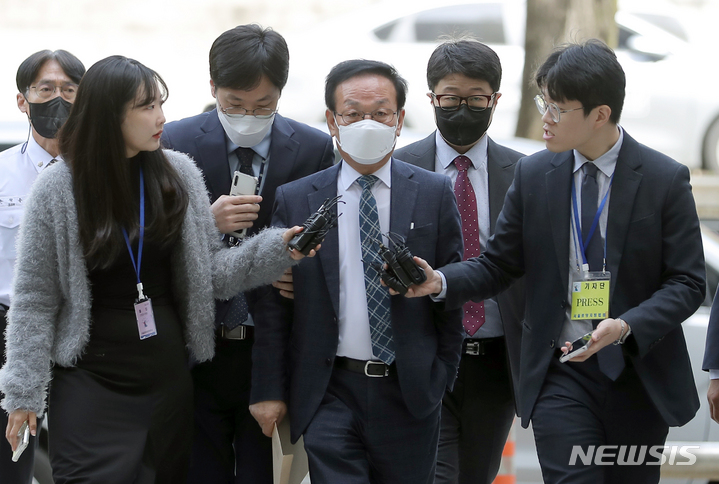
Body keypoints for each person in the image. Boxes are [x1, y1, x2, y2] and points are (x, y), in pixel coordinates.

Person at [0, 55, 314, 484]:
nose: (161, 117)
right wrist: (24, 393)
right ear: (110, 113)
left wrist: (277, 249)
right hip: (88, 376)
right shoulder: (59, 187)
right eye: (147, 106)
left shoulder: (178, 174)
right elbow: (35, 300)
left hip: (166, 375)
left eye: (160, 104)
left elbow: (214, 274)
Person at [404, 39, 705, 483]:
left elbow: (686, 283)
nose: (545, 117)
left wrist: (625, 325)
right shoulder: (534, 174)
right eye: (543, 102)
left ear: (599, 115)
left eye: (558, 109)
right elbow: (499, 264)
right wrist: (441, 282)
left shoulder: (664, 178)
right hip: (561, 372)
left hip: (636, 375)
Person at [249, 59, 464, 484]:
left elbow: (451, 290)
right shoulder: (296, 199)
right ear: (332, 120)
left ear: (400, 119)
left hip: (409, 391)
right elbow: (273, 306)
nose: (368, 123)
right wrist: (269, 390)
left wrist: (439, 374)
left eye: (381, 112)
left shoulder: (434, 193)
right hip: (329, 389)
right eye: (352, 113)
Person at [161, 25, 334, 483]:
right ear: (212, 87)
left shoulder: (314, 148)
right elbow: (149, 242)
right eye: (233, 105)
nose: (246, 117)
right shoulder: (175, 142)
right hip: (197, 345)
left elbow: (326, 239)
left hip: (271, 344)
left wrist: (302, 272)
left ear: (281, 92)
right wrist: (204, 223)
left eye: (263, 107)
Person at [393, 38, 524, 484]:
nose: (462, 109)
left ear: (496, 100)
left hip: (496, 359)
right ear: (431, 98)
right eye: (450, 99)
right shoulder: (398, 167)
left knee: (476, 474)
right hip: (424, 350)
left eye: (476, 99)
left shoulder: (525, 172)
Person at [0, 49, 85, 484]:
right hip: (9, 334)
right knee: (10, 464)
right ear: (23, 100)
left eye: (70, 90)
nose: (58, 100)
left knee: (78, 463)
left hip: (80, 339)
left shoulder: (98, 179)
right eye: (46, 89)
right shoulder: (1, 174)